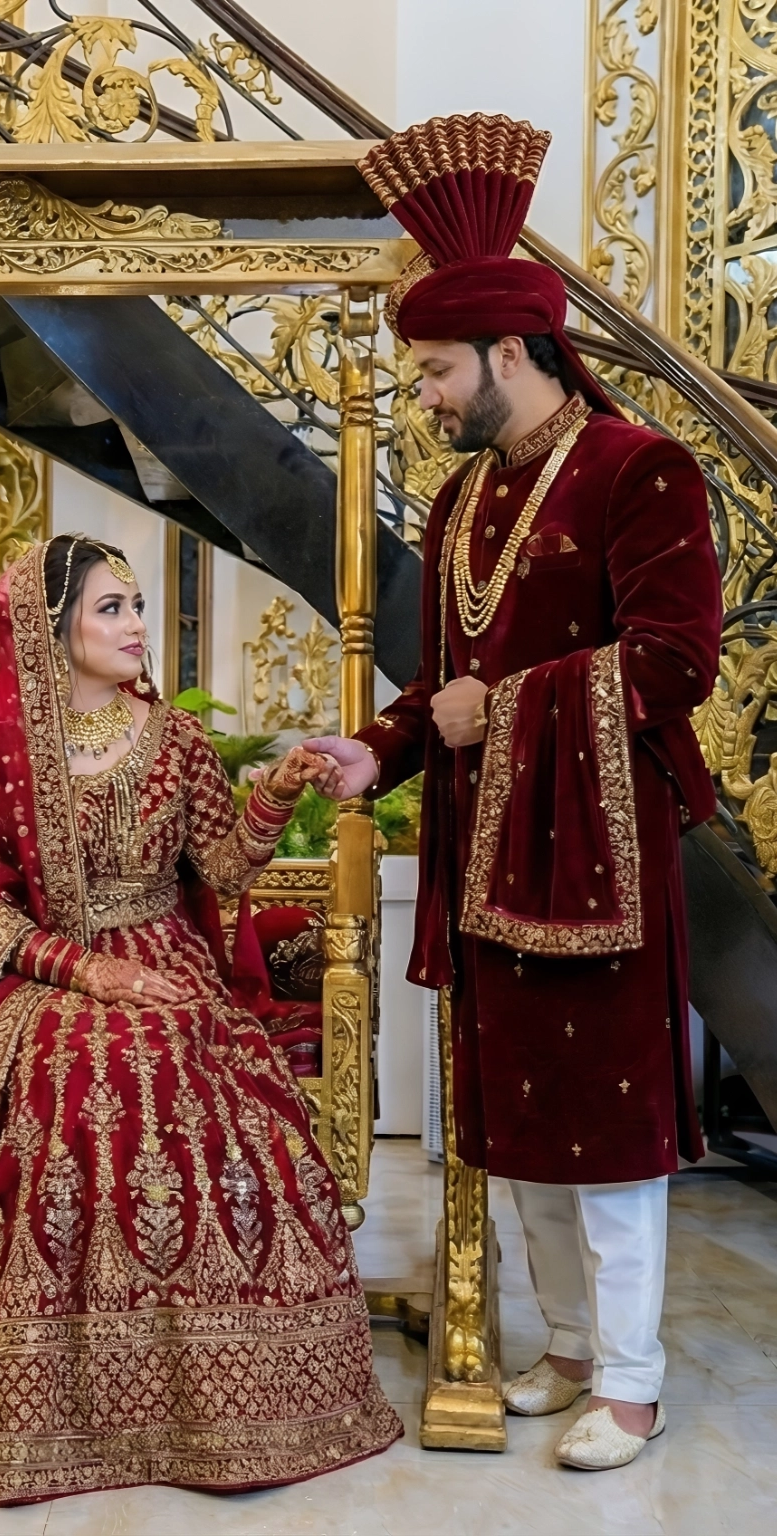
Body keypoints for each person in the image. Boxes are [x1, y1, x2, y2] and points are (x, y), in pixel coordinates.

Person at [0, 535, 401, 1502]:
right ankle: (45, 1388)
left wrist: (271, 794)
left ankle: (228, 1386)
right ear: (52, 629)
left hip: (167, 964)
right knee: (69, 1076)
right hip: (41, 974)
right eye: (112, 608)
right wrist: (84, 969)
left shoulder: (174, 741)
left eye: (139, 605)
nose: (138, 625)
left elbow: (222, 872)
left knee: (195, 1072)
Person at [309, 113, 722, 1470]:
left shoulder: (640, 471)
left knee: (604, 1117)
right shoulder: (462, 501)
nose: (424, 394)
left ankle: (639, 1382)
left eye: (434, 370)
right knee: (515, 1119)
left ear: (511, 348)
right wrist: (387, 745)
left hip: (599, 845)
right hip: (488, 847)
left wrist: (516, 710)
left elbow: (677, 666)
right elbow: (451, 679)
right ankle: (570, 1352)